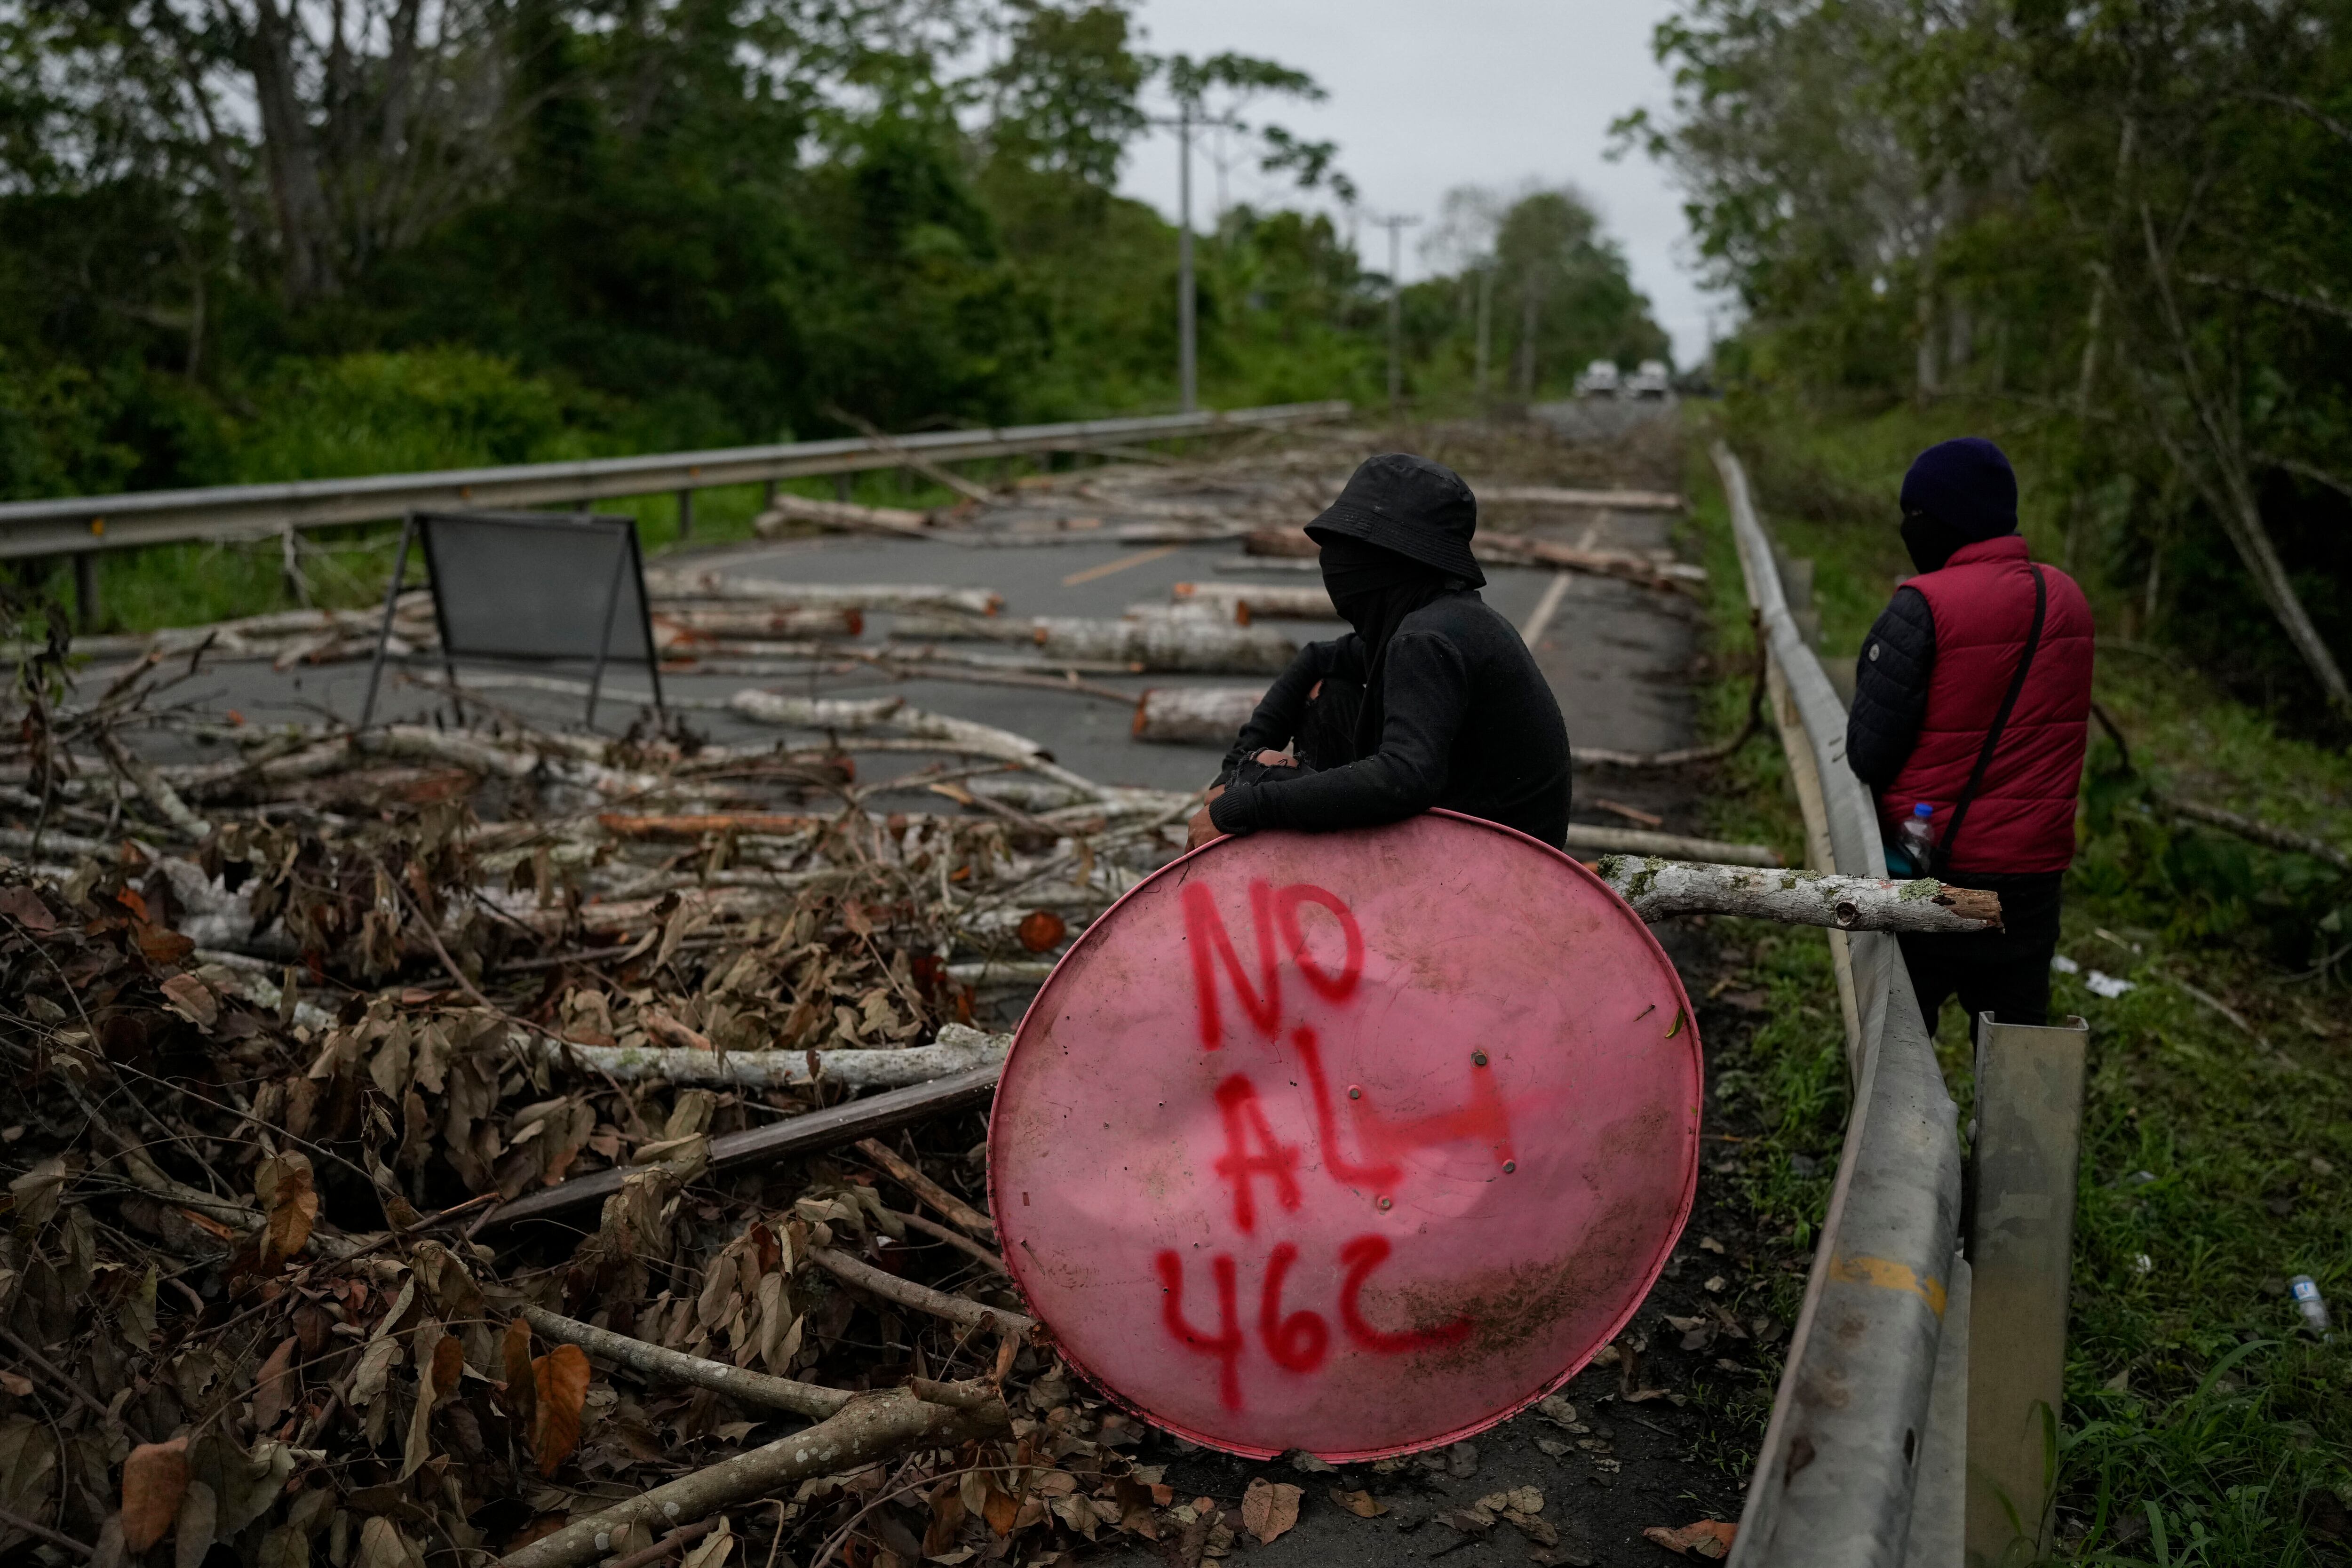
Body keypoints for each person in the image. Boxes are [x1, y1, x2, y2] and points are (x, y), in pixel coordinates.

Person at [1184, 453, 1572, 852]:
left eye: (1349, 547)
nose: (1334, 562)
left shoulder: (1426, 639)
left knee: (1261, 787)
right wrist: (1231, 771)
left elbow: (1402, 778)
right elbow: (1318, 658)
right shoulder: (1445, 619)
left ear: (1390, 559)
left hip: (1497, 865)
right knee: (1329, 692)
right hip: (1480, 832)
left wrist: (1244, 801)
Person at [1846, 437, 2094, 1033]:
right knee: (2018, 1038)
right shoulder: (2065, 600)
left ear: (1943, 519)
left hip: (1927, 865)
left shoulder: (1921, 606)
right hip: (2032, 881)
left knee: (1901, 1039)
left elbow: (1868, 752)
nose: (1906, 526)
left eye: (1914, 513)